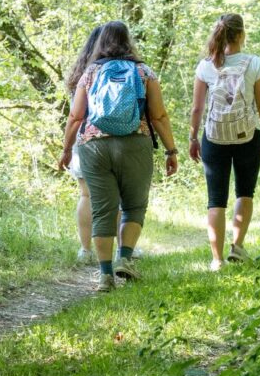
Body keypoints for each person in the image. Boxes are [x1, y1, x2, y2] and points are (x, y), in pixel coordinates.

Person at [62, 20, 179, 292]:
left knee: (103, 209)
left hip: (94, 147)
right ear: (128, 41)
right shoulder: (144, 71)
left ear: (102, 42)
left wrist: (67, 149)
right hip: (135, 144)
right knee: (134, 206)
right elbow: (159, 116)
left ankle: (105, 276)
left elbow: (76, 116)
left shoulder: (91, 72)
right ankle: (124, 258)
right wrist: (171, 150)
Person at [188, 13, 260, 271]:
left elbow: (197, 108)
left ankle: (217, 260)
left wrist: (193, 137)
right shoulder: (255, 63)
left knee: (216, 199)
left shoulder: (206, 66)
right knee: (245, 192)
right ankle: (237, 247)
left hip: (214, 137)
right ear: (241, 34)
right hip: (246, 136)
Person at [60, 26, 102, 264]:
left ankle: (85, 250)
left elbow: (75, 115)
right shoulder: (119, 70)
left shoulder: (80, 74)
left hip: (83, 139)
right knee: (115, 196)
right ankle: (122, 250)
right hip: (113, 139)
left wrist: (66, 148)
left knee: (86, 195)